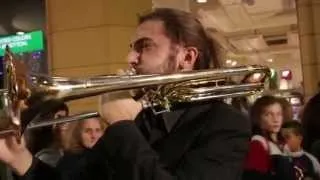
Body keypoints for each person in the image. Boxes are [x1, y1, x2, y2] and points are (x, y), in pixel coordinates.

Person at [0, 8, 250, 180]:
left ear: (187, 57)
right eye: (132, 48)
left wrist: (121, 125)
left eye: (145, 46)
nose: (129, 58)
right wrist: (22, 160)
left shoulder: (226, 124)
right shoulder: (139, 118)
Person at [242, 96, 296, 180]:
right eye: (268, 114)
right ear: (258, 118)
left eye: (279, 114)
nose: (276, 119)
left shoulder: (282, 143)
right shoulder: (257, 143)